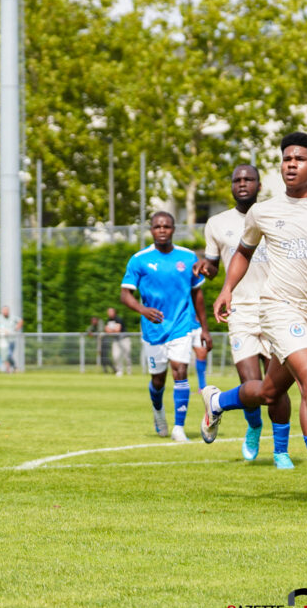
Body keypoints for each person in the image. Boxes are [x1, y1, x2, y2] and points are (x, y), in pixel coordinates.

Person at [201, 132, 307, 506]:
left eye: (300, 159)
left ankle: (217, 401)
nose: (291, 164)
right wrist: (227, 289)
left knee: (268, 393)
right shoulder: (265, 211)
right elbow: (243, 251)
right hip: (276, 308)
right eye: (286, 158)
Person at [193, 164, 294, 468]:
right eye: (237, 179)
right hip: (240, 311)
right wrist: (205, 268)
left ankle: (280, 451)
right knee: (251, 383)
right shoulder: (216, 223)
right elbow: (212, 266)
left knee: (277, 387)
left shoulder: (276, 216)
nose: (242, 183)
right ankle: (253, 428)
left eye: (248, 179)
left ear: (259, 185)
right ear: (231, 186)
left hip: (276, 307)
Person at [120, 210, 211, 443]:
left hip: (181, 325)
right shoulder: (139, 259)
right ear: (151, 230)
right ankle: (158, 411)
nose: (162, 230)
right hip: (153, 330)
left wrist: (205, 328)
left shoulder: (188, 257)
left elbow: (197, 293)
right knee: (158, 380)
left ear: (173, 229)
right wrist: (143, 310)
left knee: (180, 371)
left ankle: (178, 428)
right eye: (157, 226)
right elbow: (125, 294)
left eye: (167, 226)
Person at [0, 305, 23, 373]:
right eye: (4, 310)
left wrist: (16, 329)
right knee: (4, 356)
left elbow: (20, 321)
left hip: (11, 340)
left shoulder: (13, 317)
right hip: (3, 340)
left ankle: (13, 366)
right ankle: (8, 369)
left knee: (9, 354)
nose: (5, 312)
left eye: (6, 310)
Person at [104, 306, 131, 375]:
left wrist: (111, 330)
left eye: (111, 311)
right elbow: (106, 330)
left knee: (126, 356)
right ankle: (119, 371)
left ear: (114, 312)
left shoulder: (118, 319)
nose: (109, 313)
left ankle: (129, 371)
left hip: (124, 339)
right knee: (115, 356)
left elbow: (117, 330)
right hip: (116, 340)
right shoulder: (108, 320)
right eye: (108, 312)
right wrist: (113, 330)